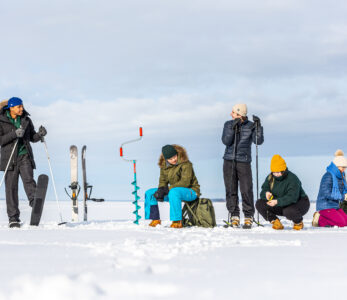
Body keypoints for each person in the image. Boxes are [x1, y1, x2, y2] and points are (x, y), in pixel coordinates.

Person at [0, 97, 47, 228]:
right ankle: (13, 218)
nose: (22, 108)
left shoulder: (26, 120)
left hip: (24, 155)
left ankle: (34, 201)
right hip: (9, 158)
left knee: (29, 180)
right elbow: (1, 140)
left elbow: (32, 137)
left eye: (22, 106)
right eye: (19, 107)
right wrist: (14, 134)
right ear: (11, 107)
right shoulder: (1, 120)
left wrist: (40, 134)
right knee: (11, 189)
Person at [222, 103, 264, 229]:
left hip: (244, 161)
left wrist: (258, 127)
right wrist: (232, 129)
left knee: (246, 189)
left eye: (233, 112)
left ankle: (248, 216)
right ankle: (234, 216)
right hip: (229, 161)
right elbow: (226, 141)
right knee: (231, 189)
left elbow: (258, 141)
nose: (231, 114)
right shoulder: (228, 124)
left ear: (239, 114)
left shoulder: (251, 126)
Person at [144, 144, 200, 228]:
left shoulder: (186, 164)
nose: (173, 159)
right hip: (173, 192)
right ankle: (155, 219)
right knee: (150, 193)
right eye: (170, 159)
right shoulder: (164, 166)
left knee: (174, 192)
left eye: (174, 156)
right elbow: (162, 181)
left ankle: (177, 221)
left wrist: (167, 189)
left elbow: (185, 182)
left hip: (191, 191)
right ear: (166, 159)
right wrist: (160, 190)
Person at [256, 154, 310, 230]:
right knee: (260, 203)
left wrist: (277, 201)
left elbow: (292, 197)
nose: (276, 174)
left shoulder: (292, 179)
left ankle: (298, 222)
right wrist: (266, 194)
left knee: (288, 211)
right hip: (279, 204)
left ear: (284, 170)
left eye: (279, 172)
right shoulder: (270, 177)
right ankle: (275, 221)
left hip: (298, 203)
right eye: (274, 172)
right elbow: (263, 190)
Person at [312, 150, 347, 227]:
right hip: (325, 206)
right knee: (341, 223)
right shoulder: (328, 176)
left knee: (346, 222)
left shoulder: (341, 177)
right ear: (337, 166)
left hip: (335, 206)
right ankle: (319, 219)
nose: (344, 169)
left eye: (345, 167)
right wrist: (342, 196)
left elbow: (342, 190)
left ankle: (326, 219)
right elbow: (326, 193)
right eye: (342, 167)